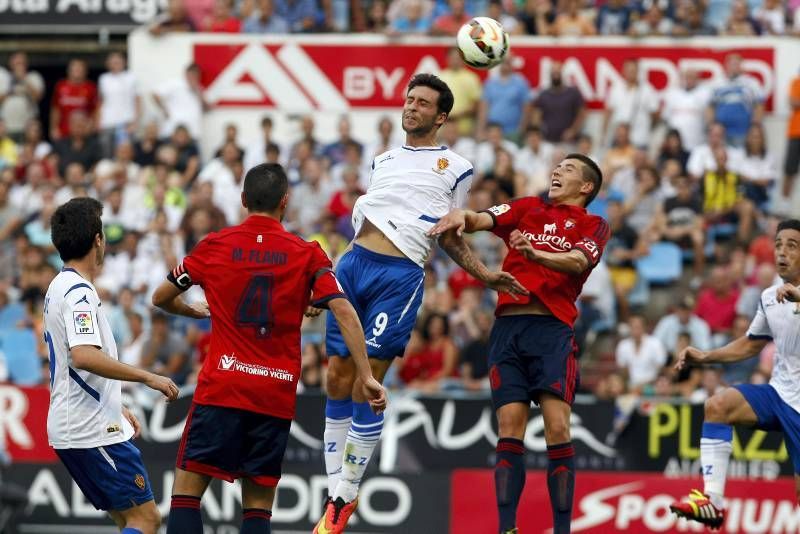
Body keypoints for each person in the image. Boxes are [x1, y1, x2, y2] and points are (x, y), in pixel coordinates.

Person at [314, 73, 525, 534]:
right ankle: (336, 496)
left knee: (365, 383)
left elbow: (450, 234)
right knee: (335, 377)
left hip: (399, 275)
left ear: (441, 116)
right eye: (409, 99)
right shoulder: (383, 159)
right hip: (352, 264)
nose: (411, 107)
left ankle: (346, 491)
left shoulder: (457, 167)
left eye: (423, 102)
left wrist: (486, 275)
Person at [151, 163, 387, 534]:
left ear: (243, 200)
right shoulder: (307, 253)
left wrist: (194, 309)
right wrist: (367, 374)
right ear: (285, 202)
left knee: (186, 495)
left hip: (222, 389)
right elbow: (343, 308)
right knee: (258, 510)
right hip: (273, 396)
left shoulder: (215, 245)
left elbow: (161, 296)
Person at [429, 153, 609, 534]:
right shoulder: (528, 207)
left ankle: (562, 529)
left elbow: (578, 262)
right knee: (509, 425)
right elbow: (482, 219)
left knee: (558, 427)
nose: (557, 171)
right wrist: (463, 216)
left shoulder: (594, 224)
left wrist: (534, 252)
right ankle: (507, 528)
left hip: (552, 332)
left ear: (587, 186)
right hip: (508, 331)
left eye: (568, 169)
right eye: (556, 166)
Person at [44, 197, 180, 534]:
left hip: (82, 423)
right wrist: (147, 377)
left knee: (127, 520)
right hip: (88, 430)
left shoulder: (60, 286)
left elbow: (78, 366)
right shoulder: (78, 293)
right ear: (98, 240)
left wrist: (115, 407)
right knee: (146, 519)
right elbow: (84, 355)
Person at [670, 218, 800, 530]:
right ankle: (712, 502)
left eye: (792, 246)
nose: (782, 252)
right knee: (717, 405)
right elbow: (751, 344)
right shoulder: (770, 296)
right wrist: (705, 357)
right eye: (779, 245)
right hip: (779, 393)